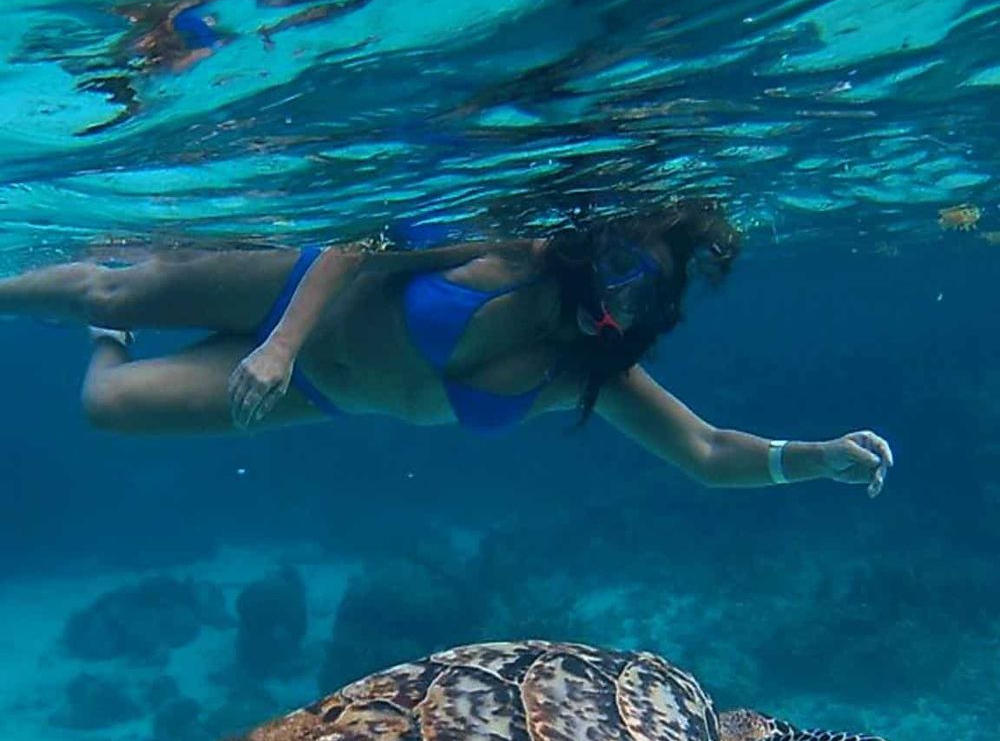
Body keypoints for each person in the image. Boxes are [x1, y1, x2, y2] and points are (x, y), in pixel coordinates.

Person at [0, 200, 892, 495]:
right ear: (595, 248)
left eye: (646, 292)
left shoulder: (591, 371)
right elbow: (364, 240)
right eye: (619, 266)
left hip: (315, 388)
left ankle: (107, 342)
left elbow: (703, 451)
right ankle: (84, 300)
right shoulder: (514, 251)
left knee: (103, 407)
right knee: (112, 281)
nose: (620, 297)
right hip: (294, 305)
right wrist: (277, 344)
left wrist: (813, 459)